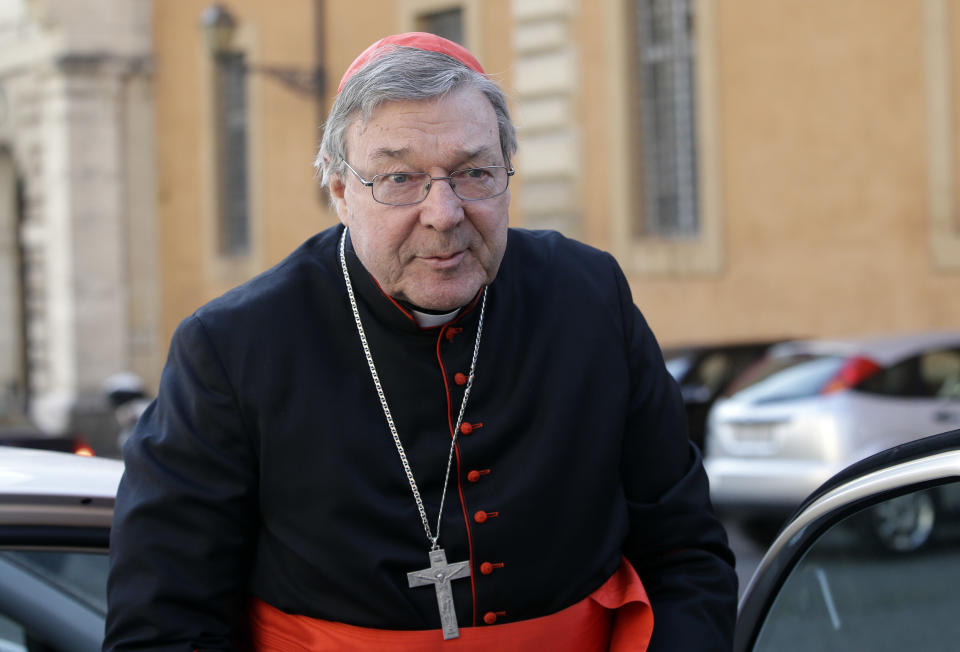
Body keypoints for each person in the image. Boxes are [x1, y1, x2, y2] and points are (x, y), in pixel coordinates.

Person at [104, 32, 737, 651]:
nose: (445, 212)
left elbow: (684, 552)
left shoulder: (589, 297)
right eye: (400, 179)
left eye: (475, 173)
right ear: (341, 192)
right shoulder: (232, 349)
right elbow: (165, 623)